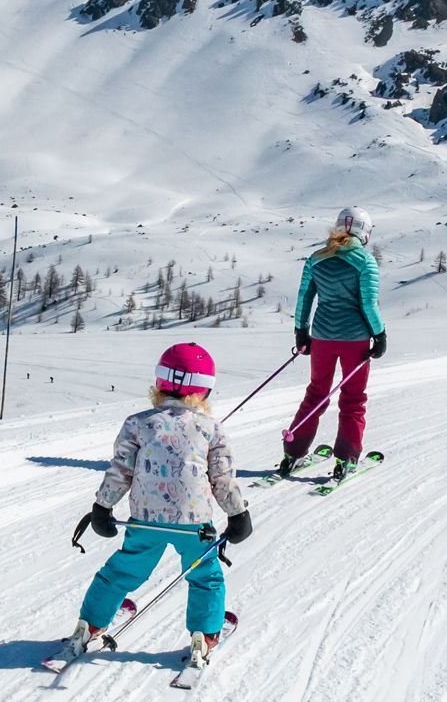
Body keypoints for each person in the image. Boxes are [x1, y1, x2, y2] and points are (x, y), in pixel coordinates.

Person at [65, 342, 253, 667]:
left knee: (120, 572)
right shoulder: (213, 430)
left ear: (159, 383)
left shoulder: (138, 423)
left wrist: (103, 507)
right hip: (194, 526)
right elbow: (222, 479)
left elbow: (121, 470)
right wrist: (237, 513)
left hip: (145, 522)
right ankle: (204, 636)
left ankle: (89, 624)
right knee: (205, 576)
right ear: (204, 391)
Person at [280, 206, 386, 481]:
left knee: (316, 392)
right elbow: (369, 304)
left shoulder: (317, 258)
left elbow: (305, 297)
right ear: (365, 232)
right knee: (352, 398)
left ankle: (292, 451)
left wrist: (300, 332)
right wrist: (380, 334)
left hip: (322, 336)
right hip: (355, 340)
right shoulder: (364, 261)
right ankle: (347, 457)